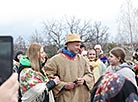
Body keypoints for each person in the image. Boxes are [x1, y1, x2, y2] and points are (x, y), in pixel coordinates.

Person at [44, 34, 94, 102]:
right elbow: (47, 78)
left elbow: (90, 75)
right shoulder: (55, 60)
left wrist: (84, 80)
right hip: (65, 98)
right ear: (68, 44)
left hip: (82, 97)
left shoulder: (83, 59)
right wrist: (63, 85)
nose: (79, 48)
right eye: (76, 45)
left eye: (79, 45)